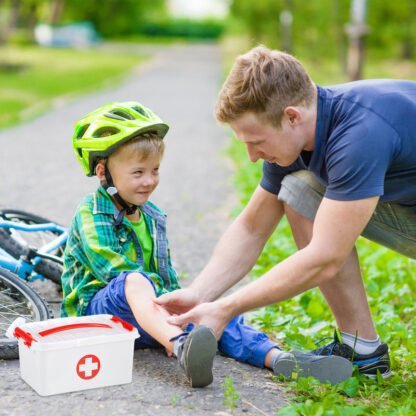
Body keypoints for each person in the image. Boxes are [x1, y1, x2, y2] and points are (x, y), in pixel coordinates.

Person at [155, 45, 416, 380]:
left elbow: (325, 257)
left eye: (256, 141)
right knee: (297, 189)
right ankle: (362, 351)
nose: (252, 156)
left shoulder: (359, 136)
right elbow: (252, 227)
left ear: (292, 116)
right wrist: (198, 295)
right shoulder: (307, 125)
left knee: (298, 190)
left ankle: (361, 349)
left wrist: (226, 308)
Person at [61, 101, 352, 388]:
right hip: (99, 316)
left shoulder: (151, 216)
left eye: (155, 170)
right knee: (134, 281)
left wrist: (181, 308)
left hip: (149, 317)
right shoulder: (91, 212)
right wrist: (169, 317)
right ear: (103, 172)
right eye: (138, 173)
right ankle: (181, 346)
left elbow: (163, 275)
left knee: (210, 311)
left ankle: (279, 359)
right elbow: (112, 269)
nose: (149, 181)